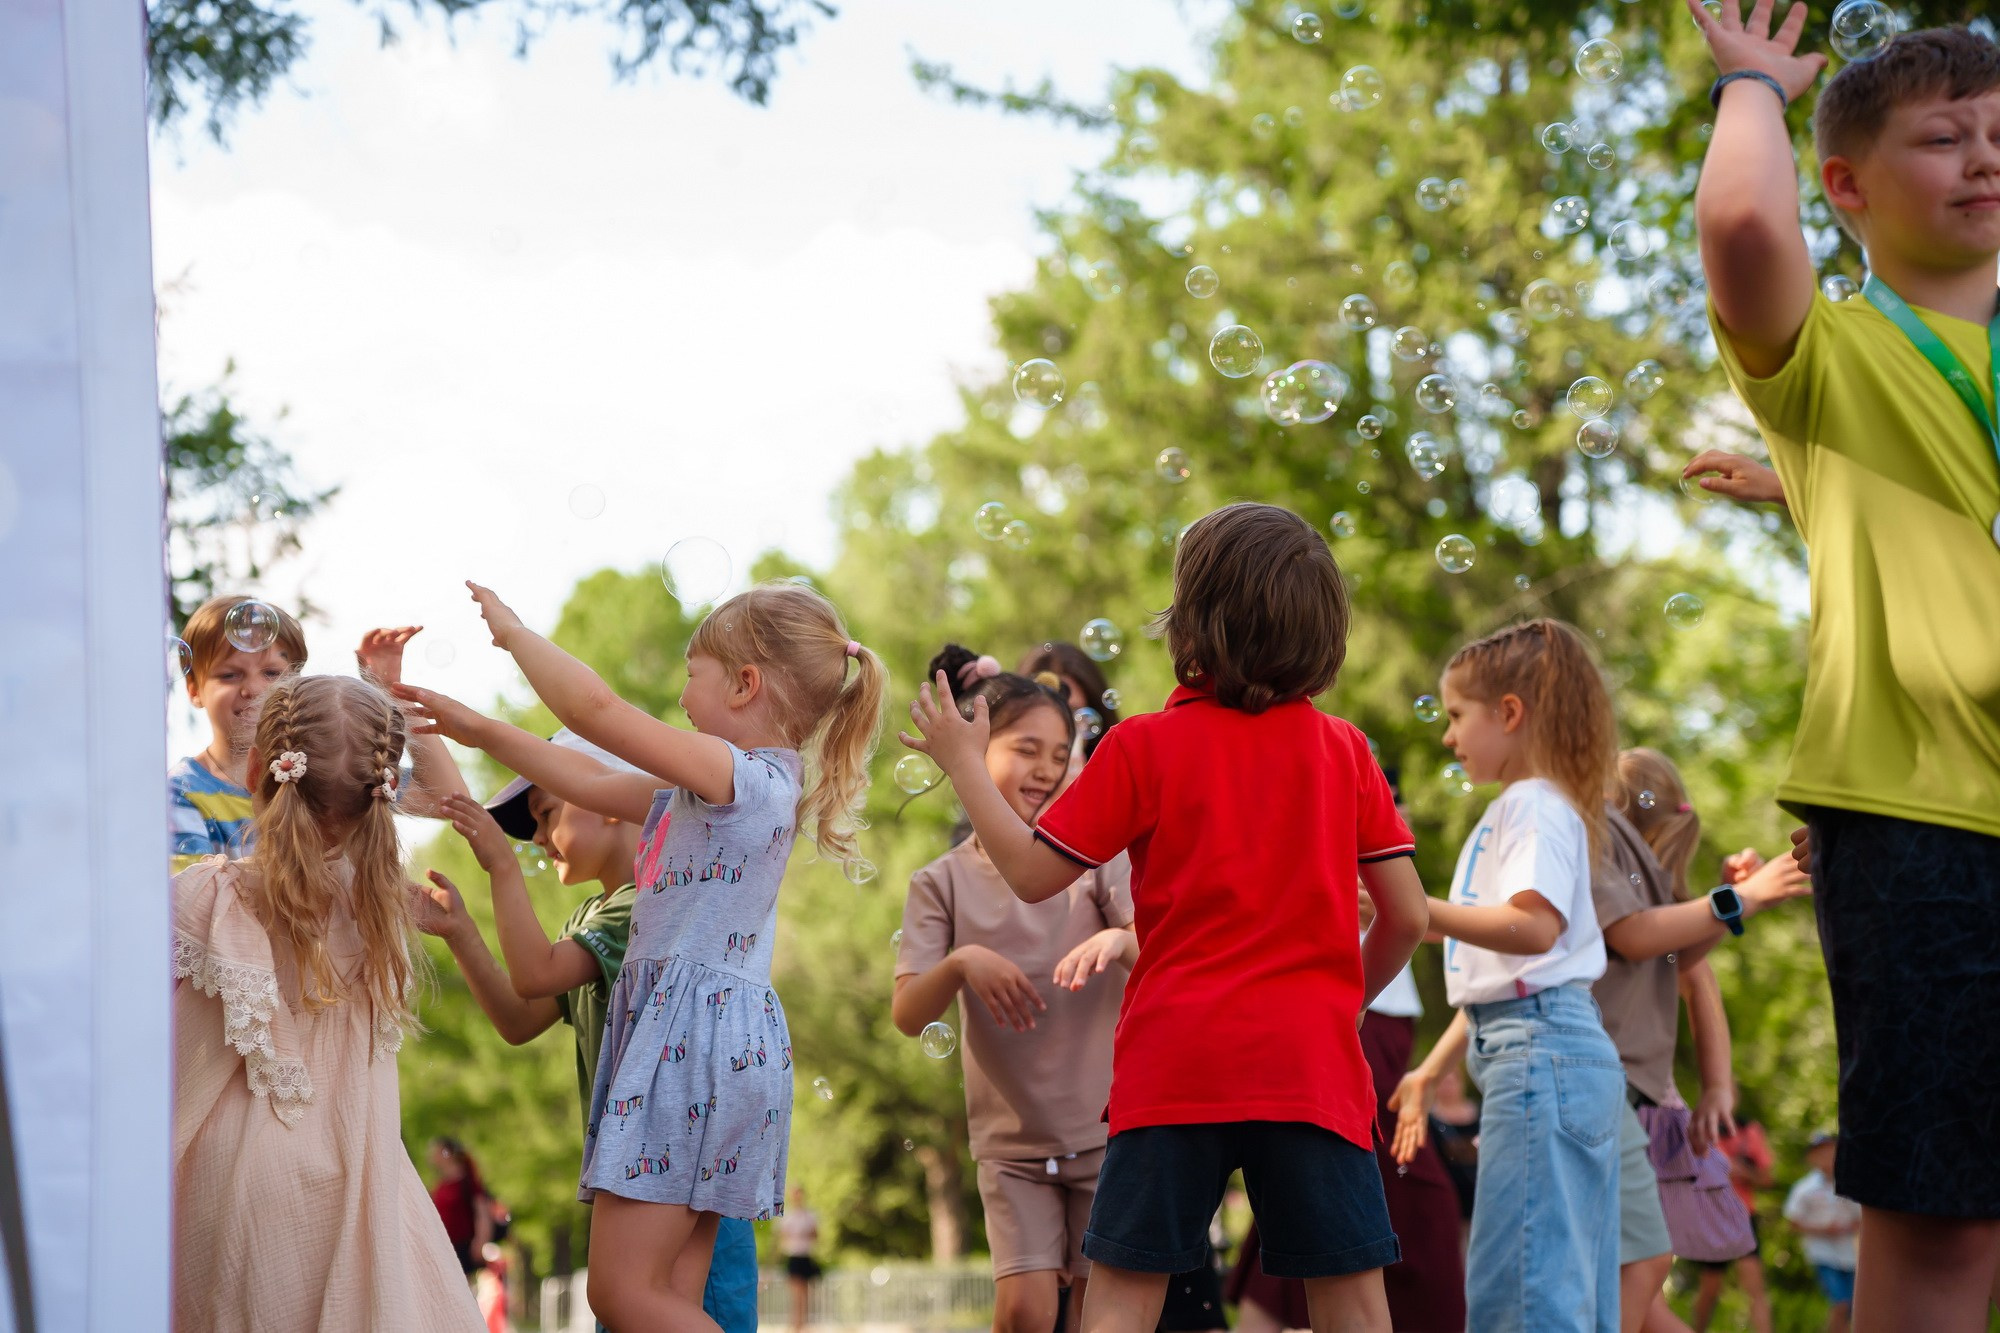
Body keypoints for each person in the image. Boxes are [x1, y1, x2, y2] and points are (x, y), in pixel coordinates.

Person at [903, 502, 1430, 1333]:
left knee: (1118, 1299)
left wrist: (967, 764)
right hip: (1311, 1063)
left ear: (1190, 625)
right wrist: (1340, 1000)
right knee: (1353, 1303)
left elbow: (1034, 874)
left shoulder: (1144, 746)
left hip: (1174, 1065)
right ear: (1323, 634)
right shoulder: (1346, 752)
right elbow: (1406, 915)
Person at [1691, 7, 2000, 1326]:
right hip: (1930, 821)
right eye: (1944, 138)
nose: (1985, 157)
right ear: (1850, 187)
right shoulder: (1837, 356)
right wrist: (1756, 86)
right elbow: (1746, 233)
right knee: (1943, 1225)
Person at [458, 578, 884, 1330]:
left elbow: (597, 716)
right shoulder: (723, 788)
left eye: (694, 672)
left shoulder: (739, 778)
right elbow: (585, 776)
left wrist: (515, 634)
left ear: (746, 683)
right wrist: (475, 727)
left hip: (691, 1047)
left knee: (619, 1294)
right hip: (722, 1047)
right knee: (664, 1303)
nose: (682, 693)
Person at [387, 703, 762, 1333]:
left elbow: (533, 975)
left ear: (609, 798)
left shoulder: (650, 907)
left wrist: (500, 868)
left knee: (686, 1312)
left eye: (546, 814)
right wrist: (460, 933)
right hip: (637, 1173)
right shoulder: (593, 918)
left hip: (673, 1179)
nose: (533, 838)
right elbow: (518, 1017)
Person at [171, 672, 480, 1330]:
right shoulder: (382, 912)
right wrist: (394, 697)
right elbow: (456, 796)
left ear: (255, 767)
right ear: (381, 794)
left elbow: (174, 1081)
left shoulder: (212, 903)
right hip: (360, 1197)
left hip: (239, 1205)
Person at [893, 645, 1136, 1333]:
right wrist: (963, 960)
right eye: (1027, 748)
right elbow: (910, 1012)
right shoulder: (938, 881)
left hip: (1106, 1130)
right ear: (973, 745)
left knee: (1104, 1315)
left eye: (1060, 754)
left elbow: (1160, 956)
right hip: (1010, 1145)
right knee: (1024, 1312)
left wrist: (1120, 939)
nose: (1047, 769)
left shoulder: (1096, 861)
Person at [1410, 619, 1624, 1331]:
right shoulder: (1542, 805)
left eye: (1456, 716)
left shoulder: (1529, 804)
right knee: (1563, 1286)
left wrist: (1420, 910)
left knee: (1522, 1294)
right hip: (1549, 1046)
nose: (1448, 736)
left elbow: (1534, 929)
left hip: (1536, 1051)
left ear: (1509, 712)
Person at [1230, 777, 1467, 1333]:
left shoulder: (1389, 884)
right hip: (1344, 1070)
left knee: (1337, 1225)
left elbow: (1417, 924)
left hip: (1380, 1076)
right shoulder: (1311, 873)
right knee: (1330, 1222)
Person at [169, 593, 309, 872]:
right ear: (194, 691)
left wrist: (393, 693)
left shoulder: (318, 771)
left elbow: (423, 796)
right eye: (229, 675)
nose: (254, 690)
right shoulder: (180, 794)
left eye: (271, 673)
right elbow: (193, 900)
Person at [1693, 1119, 1776, 1333]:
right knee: (1710, 1288)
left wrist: (1744, 1172)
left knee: (1755, 1286)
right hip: (1715, 1218)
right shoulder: (1700, 1129)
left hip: (1744, 1218)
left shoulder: (1749, 1131)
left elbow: (1767, 1179)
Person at [1785, 1132, 1862, 1333]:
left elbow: (1860, 1219)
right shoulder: (1804, 1189)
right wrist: (1822, 1230)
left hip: (1850, 1254)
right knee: (1840, 1304)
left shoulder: (1851, 1184)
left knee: (1854, 1308)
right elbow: (1793, 1223)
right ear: (1811, 1158)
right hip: (1822, 1253)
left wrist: (1847, 1227)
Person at [430, 1136, 497, 1276]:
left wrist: (481, 1240)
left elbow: (482, 1213)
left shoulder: (468, 1183)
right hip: (445, 1246)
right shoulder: (441, 1185)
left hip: (464, 1247)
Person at [776, 1186, 821, 1333]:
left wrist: (804, 1233)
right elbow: (782, 1238)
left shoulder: (810, 1215)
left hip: (806, 1256)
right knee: (796, 1294)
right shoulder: (787, 1216)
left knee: (806, 1294)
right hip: (794, 1257)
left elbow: (816, 1236)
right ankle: (795, 1324)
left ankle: (803, 1324)